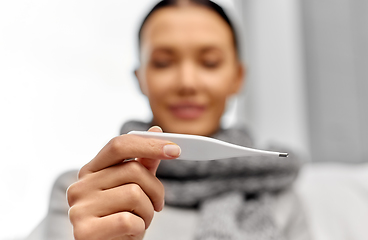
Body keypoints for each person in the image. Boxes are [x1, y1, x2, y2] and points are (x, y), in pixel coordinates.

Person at [26, 0, 310, 239]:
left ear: (237, 78)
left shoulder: (280, 196)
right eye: (163, 63)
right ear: (141, 79)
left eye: (209, 62)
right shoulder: (84, 192)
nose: (187, 83)